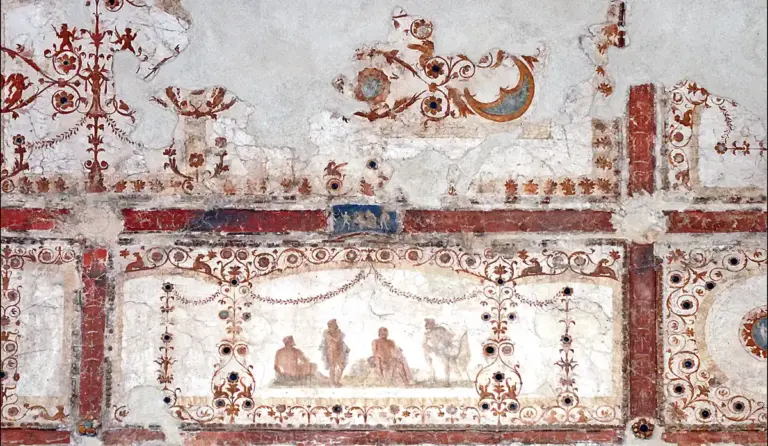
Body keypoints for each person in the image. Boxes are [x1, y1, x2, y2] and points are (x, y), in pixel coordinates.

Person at [320, 319, 349, 386]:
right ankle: (333, 382)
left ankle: (337, 381)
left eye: (335, 324)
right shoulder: (326, 332)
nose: (336, 325)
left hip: (339, 350)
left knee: (341, 366)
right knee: (332, 367)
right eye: (334, 324)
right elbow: (336, 340)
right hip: (331, 351)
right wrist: (337, 335)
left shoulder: (338, 331)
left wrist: (345, 347)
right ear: (330, 325)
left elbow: (340, 341)